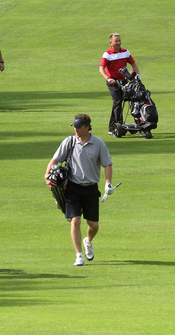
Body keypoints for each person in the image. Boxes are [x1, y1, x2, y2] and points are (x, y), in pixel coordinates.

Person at [45, 114, 116, 266]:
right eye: (75, 127)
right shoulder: (69, 142)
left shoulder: (98, 143)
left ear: (87, 127)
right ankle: (79, 255)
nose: (76, 129)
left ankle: (88, 241)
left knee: (94, 225)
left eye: (79, 127)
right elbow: (55, 160)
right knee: (75, 220)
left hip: (91, 188)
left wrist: (108, 182)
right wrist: (47, 176)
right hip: (73, 188)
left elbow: (107, 164)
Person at [99, 33, 139, 135]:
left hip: (124, 81)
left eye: (119, 40)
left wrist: (137, 75)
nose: (118, 43)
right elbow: (101, 68)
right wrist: (108, 78)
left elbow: (133, 63)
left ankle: (112, 127)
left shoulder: (125, 52)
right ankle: (119, 125)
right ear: (111, 42)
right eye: (116, 41)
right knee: (117, 102)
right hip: (113, 81)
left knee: (121, 102)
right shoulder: (107, 54)